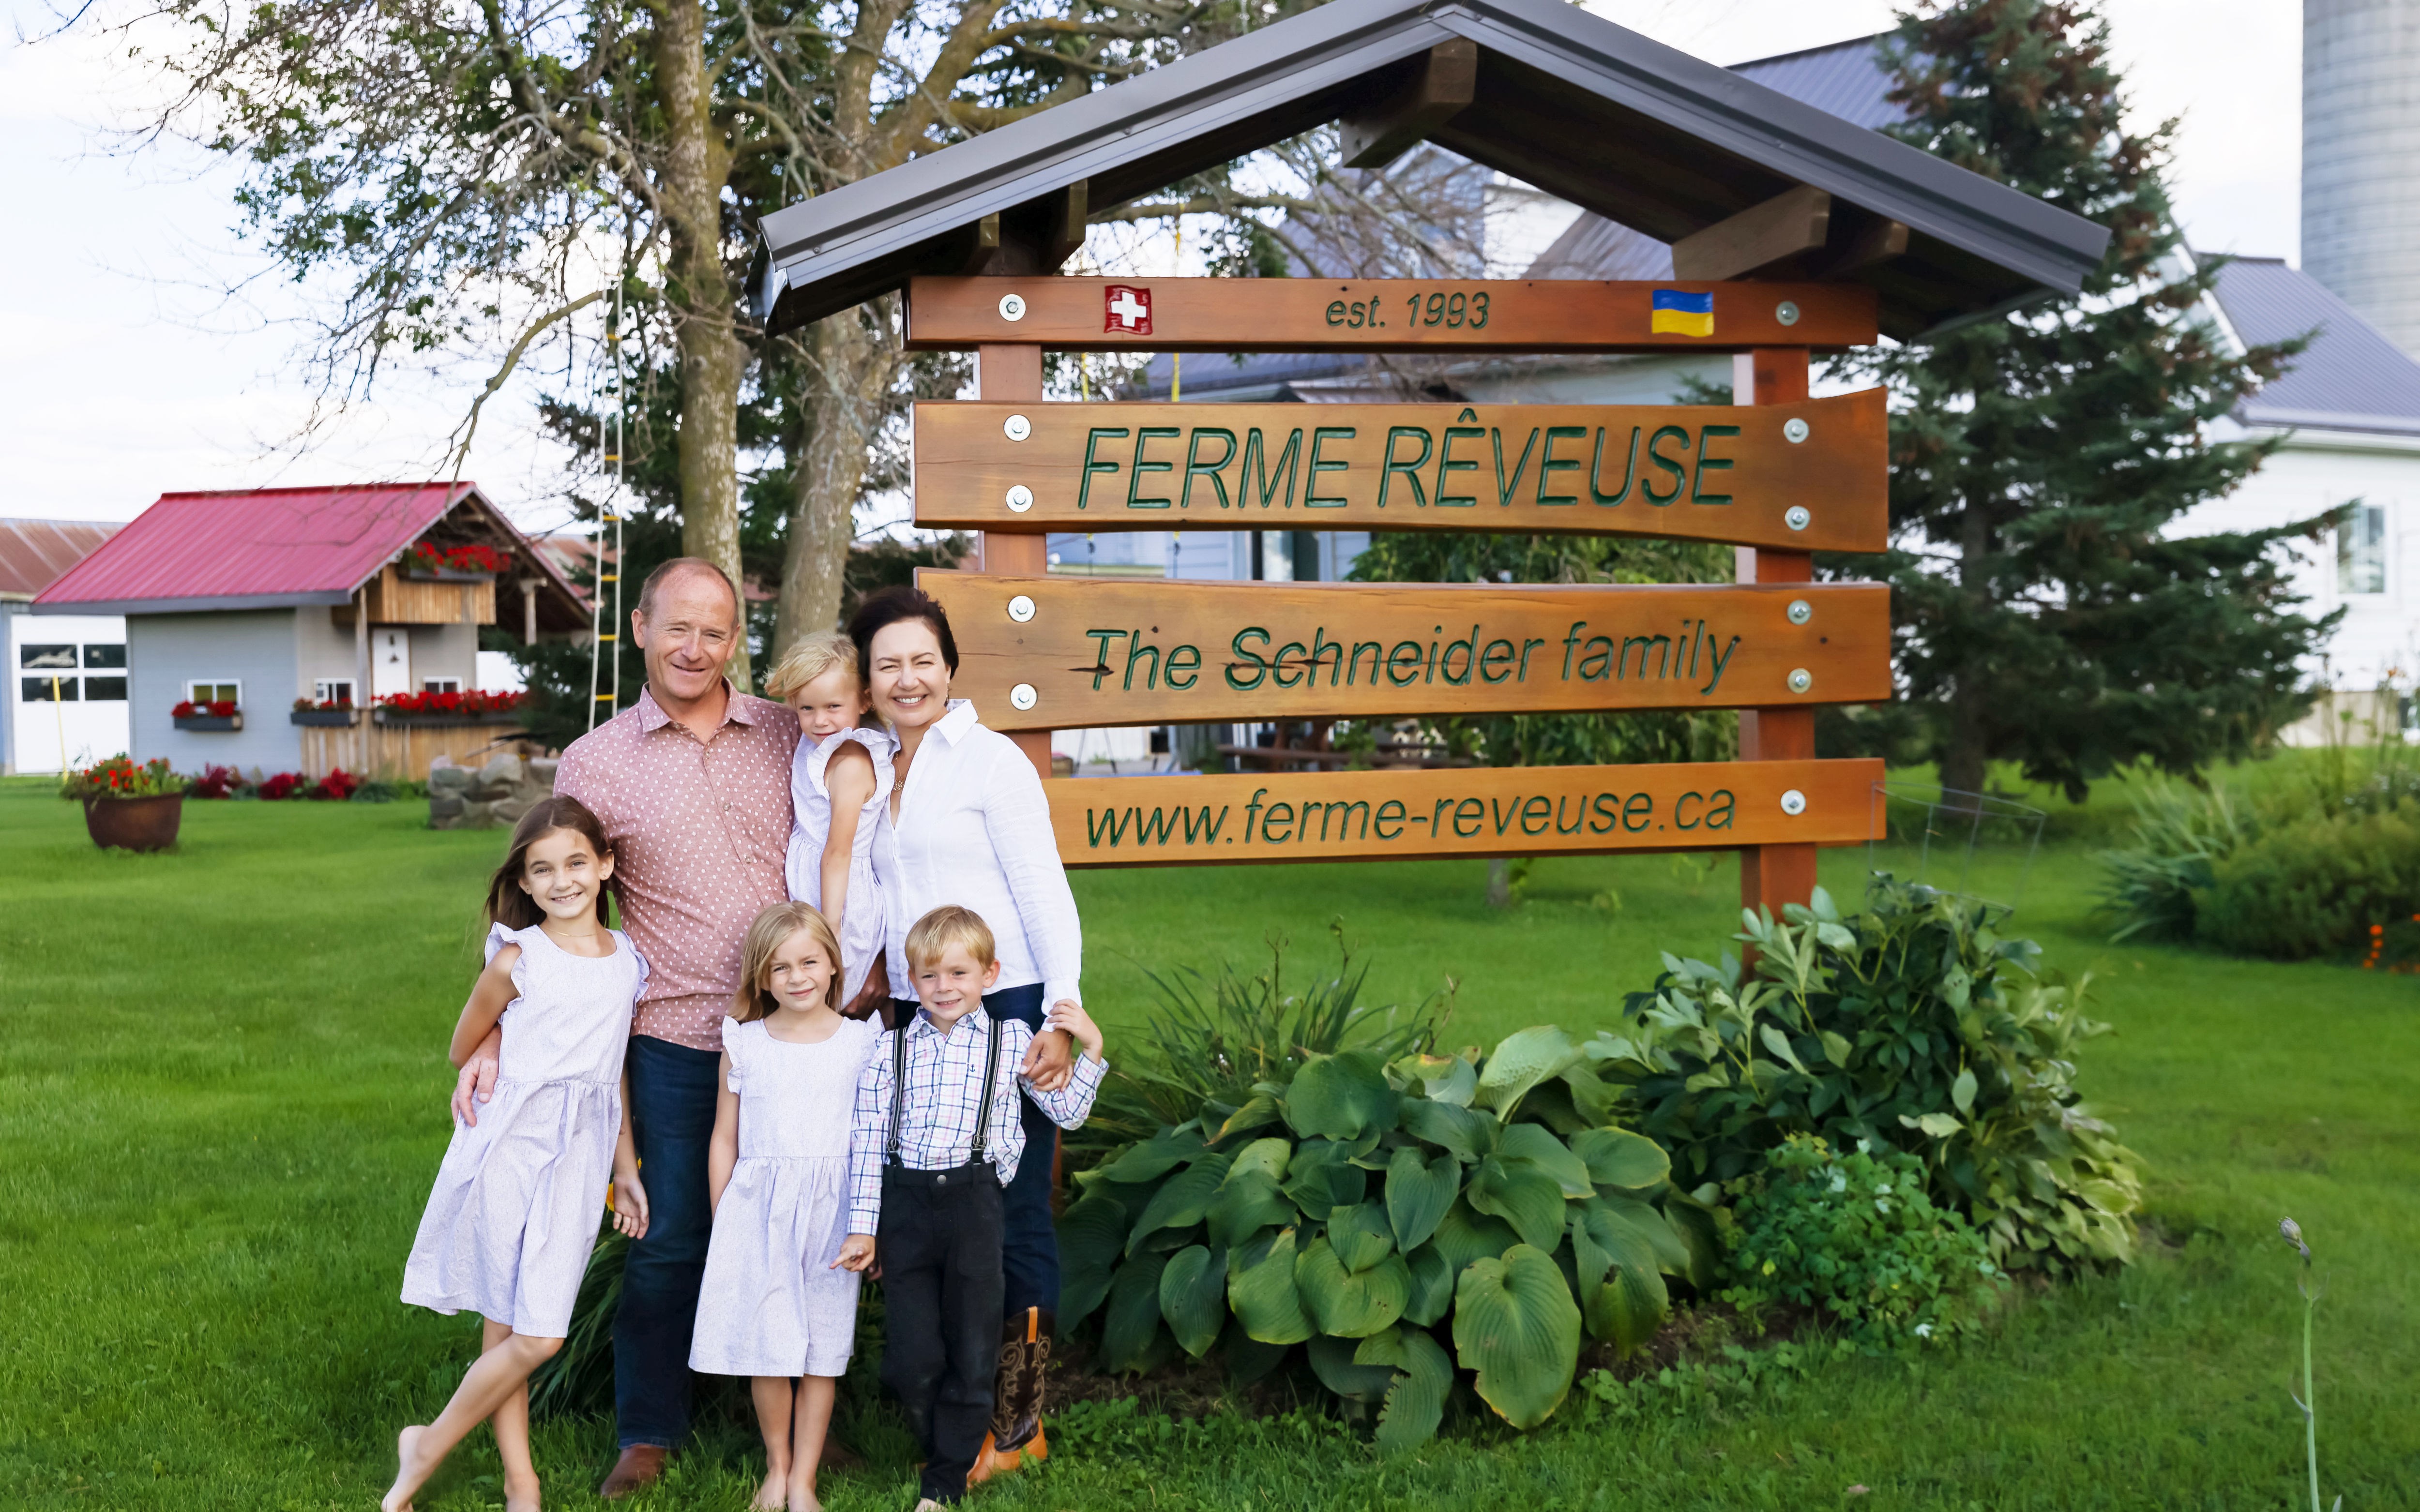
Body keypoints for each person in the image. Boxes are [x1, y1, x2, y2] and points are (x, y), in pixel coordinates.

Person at [455, 557, 802, 1498]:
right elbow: (548, 891)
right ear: (641, 626)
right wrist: (494, 1030)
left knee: (793, 1228)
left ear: (738, 640)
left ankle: (803, 1429)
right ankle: (649, 1427)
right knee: (667, 1230)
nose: (696, 647)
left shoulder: (785, 732)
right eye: (677, 626)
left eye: (716, 631)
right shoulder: (597, 760)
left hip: (798, 1028)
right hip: (672, 1031)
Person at [846, 584, 1083, 1478]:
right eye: (887, 666)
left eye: (923, 661)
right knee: (932, 1220)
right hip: (916, 1009)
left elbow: (1044, 891)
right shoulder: (867, 764)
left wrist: (1059, 1009)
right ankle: (954, 1401)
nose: (908, 680)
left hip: (1008, 1000)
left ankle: (1018, 1423)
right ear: (866, 683)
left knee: (1014, 1212)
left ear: (950, 667)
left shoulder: (990, 762)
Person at [389, 797, 650, 1512]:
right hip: (510, 1140)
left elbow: (614, 1071)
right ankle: (521, 1483)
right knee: (507, 1322)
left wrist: (625, 1170)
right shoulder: (517, 957)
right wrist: (493, 1053)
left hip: (582, 1150)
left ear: (605, 865)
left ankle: (429, 1444)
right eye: (543, 870)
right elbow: (461, 1044)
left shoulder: (629, 961)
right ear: (526, 884)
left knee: (536, 1333)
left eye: (575, 862)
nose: (562, 880)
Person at [838, 906, 1106, 1511]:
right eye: (930, 976)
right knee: (912, 1357)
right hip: (907, 1211)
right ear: (910, 981)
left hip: (977, 1210)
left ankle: (944, 1479)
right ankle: (947, 1444)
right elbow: (868, 1140)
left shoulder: (1013, 1040)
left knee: (973, 1346)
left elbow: (1067, 1114)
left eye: (959, 973)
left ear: (990, 973)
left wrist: (1090, 1049)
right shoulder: (889, 1051)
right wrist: (865, 1226)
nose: (945, 987)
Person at [689, 903, 882, 1512]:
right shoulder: (745, 1043)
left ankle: (804, 1480)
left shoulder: (862, 1041)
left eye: (808, 961)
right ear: (761, 978)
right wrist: (727, 1219)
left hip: (833, 1216)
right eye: (779, 968)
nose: (796, 976)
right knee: (768, 1347)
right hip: (760, 1212)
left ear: (832, 964)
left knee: (822, 1349)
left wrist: (866, 1224)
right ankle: (775, 1467)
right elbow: (725, 1136)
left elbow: (872, 1139)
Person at [765, 630, 893, 1009]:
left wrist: (829, 929)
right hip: (816, 886)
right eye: (807, 709)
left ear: (865, 699)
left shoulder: (851, 763)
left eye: (834, 707)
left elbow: (838, 852)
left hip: (840, 901)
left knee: (830, 1000)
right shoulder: (821, 742)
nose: (820, 721)